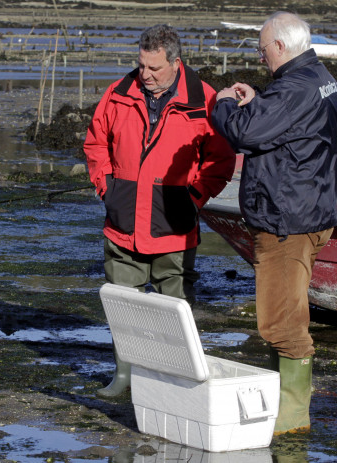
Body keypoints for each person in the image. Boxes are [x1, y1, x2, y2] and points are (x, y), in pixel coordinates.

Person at [83, 24, 236, 398]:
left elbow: (221, 161)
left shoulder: (205, 101)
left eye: (154, 68)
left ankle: (177, 382)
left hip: (175, 226)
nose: (145, 75)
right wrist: (107, 187)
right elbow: (95, 142)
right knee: (123, 305)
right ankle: (125, 376)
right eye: (141, 66)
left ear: (175, 62)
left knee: (176, 311)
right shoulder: (118, 94)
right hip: (123, 222)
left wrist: (193, 196)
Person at [211, 11, 337, 434]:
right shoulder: (318, 77)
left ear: (280, 47)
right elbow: (284, 118)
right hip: (309, 212)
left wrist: (225, 102)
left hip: (286, 222)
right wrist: (261, 97)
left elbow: (244, 134)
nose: (260, 55)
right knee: (288, 314)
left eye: (262, 49)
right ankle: (284, 411)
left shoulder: (295, 90)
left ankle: (291, 422)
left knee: (281, 324)